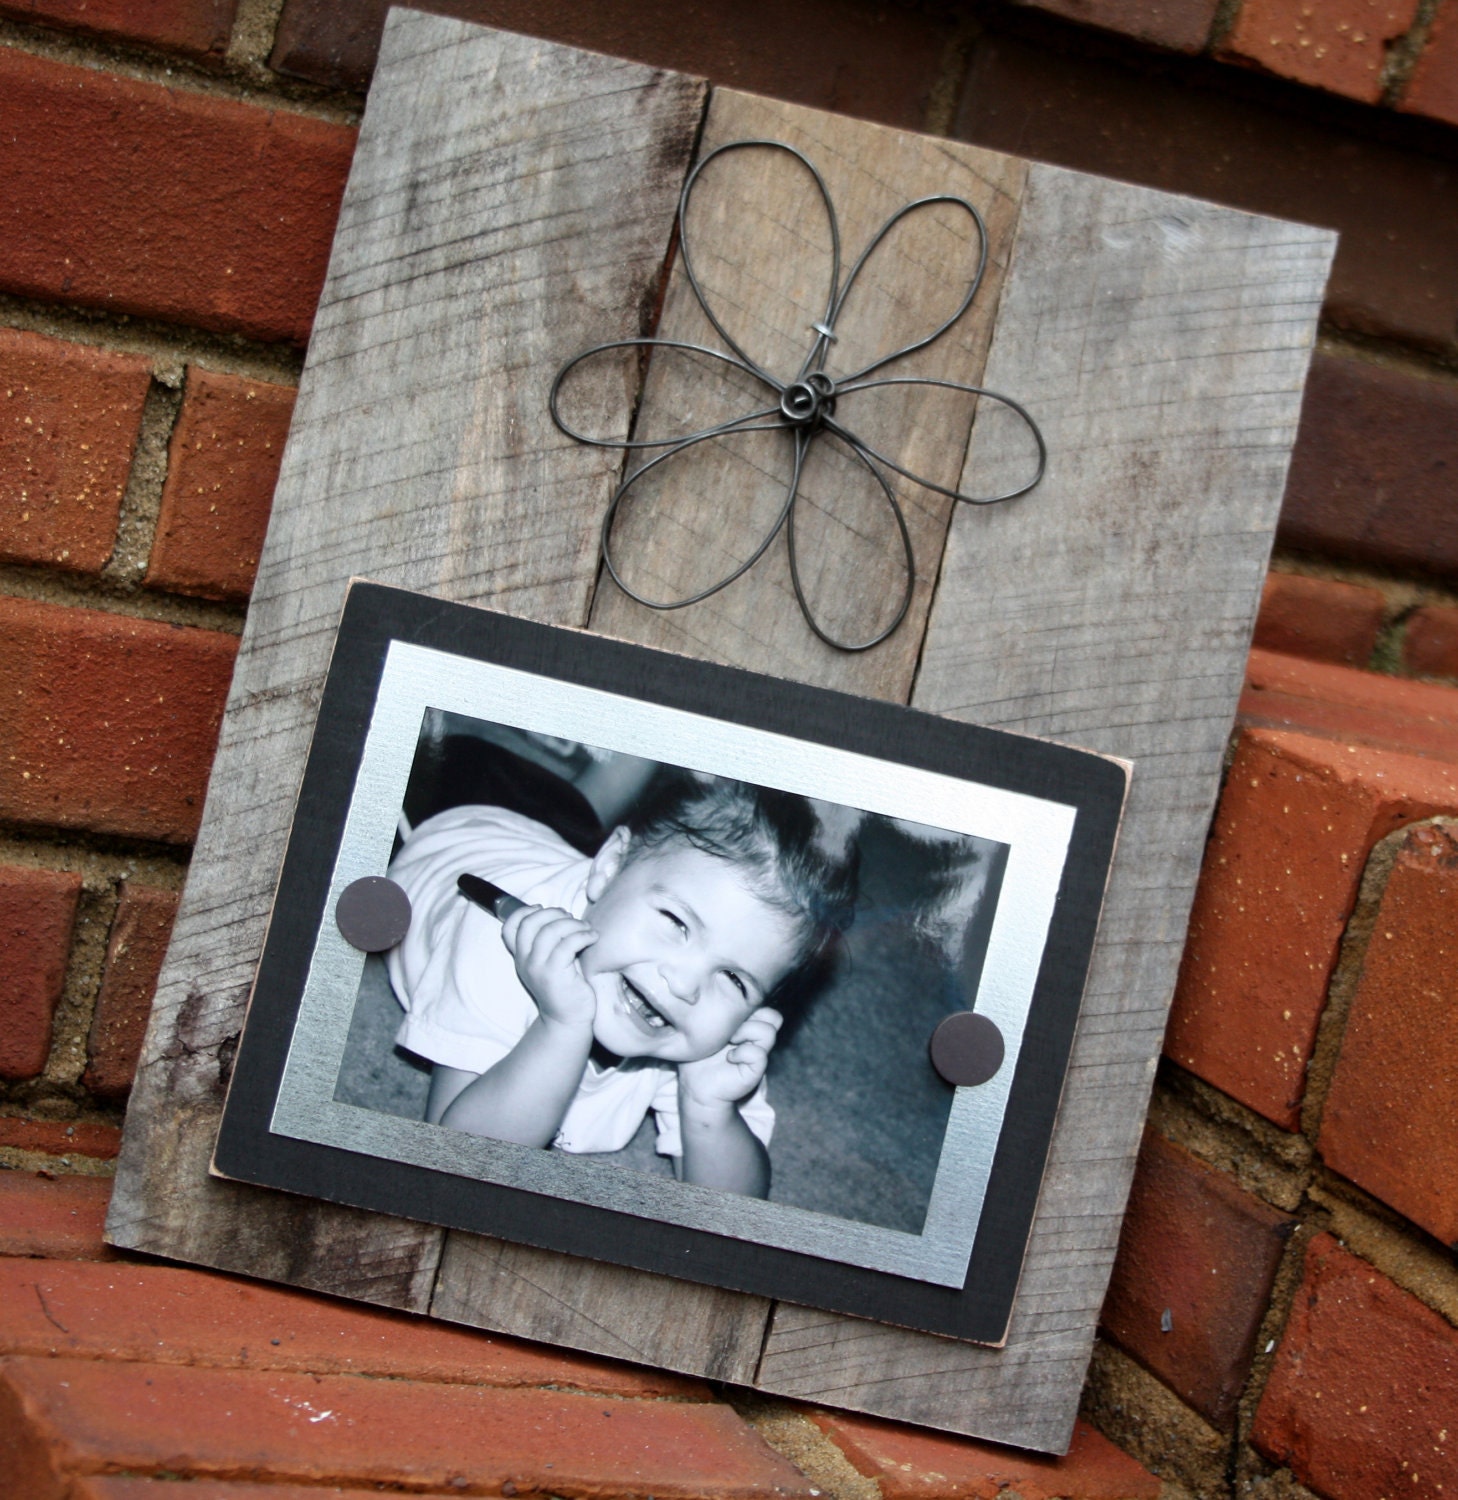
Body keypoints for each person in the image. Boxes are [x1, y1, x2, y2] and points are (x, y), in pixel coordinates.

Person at [385, 774, 858, 1198]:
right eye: (676, 922)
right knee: (562, 799)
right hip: (466, 815)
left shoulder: (715, 1031)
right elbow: (460, 1161)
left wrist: (709, 1109)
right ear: (608, 868)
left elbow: (736, 1208)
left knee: (579, 810)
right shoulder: (500, 942)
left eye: (734, 978)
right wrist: (562, 1027)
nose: (686, 983)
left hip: (567, 840)